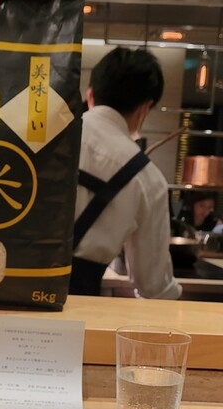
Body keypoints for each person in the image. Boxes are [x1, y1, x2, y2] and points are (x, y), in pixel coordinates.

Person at [70, 47, 182, 299]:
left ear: (90, 95)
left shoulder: (44, 134)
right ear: (145, 107)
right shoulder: (147, 179)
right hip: (76, 311)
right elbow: (154, 287)